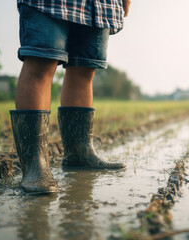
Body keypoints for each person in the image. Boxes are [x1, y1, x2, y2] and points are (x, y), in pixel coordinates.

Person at [10, 0, 130, 194]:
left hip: (101, 4)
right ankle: (34, 167)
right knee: (41, 59)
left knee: (84, 68)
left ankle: (79, 154)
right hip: (50, 3)